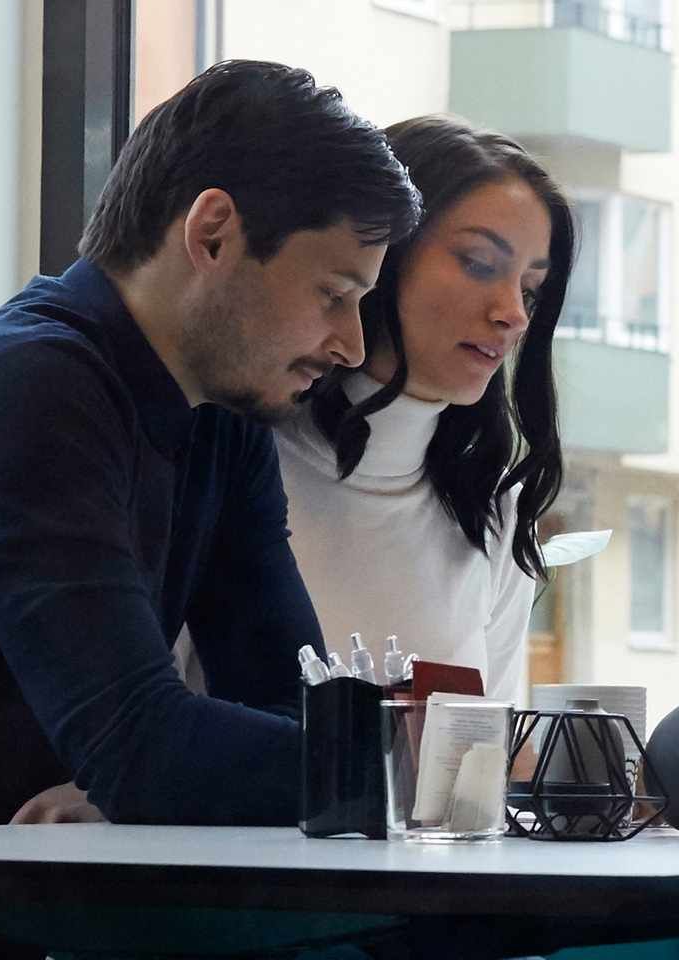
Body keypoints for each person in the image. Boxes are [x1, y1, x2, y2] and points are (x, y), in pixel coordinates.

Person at [0, 61, 420, 832]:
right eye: (334, 295)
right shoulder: (21, 391)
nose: (352, 344)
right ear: (213, 234)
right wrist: (399, 775)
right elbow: (143, 749)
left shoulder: (221, 424)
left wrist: (147, 779)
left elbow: (283, 706)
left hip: (13, 906)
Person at [271, 116, 574, 689]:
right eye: (481, 264)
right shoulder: (233, 460)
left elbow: (487, 761)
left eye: (531, 291)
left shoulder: (497, 514)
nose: (512, 312)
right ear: (383, 254)